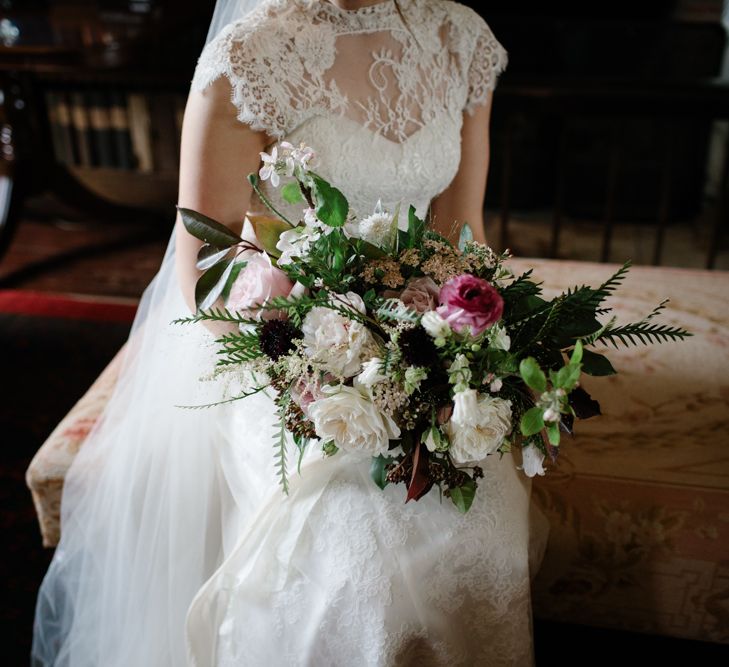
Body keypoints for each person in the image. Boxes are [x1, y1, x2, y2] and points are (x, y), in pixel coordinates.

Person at [32, 1, 551, 664]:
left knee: (479, 512)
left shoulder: (460, 37)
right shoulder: (249, 58)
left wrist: (456, 341)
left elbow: (459, 229)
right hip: (285, 348)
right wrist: (328, 346)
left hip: (421, 341)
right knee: (358, 544)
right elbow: (205, 268)